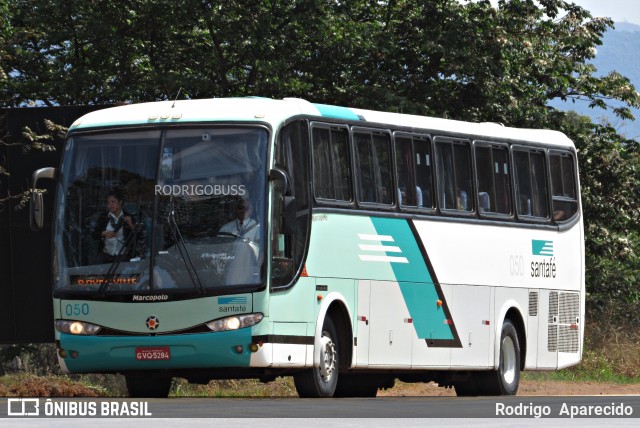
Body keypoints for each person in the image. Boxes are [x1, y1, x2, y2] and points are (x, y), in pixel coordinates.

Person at [92, 190, 144, 262]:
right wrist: (104, 233)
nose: (110, 205)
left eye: (113, 202)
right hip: (105, 257)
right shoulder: (104, 217)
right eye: (108, 202)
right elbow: (94, 235)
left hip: (123, 257)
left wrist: (132, 225)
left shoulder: (128, 217)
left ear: (120, 202)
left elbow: (139, 237)